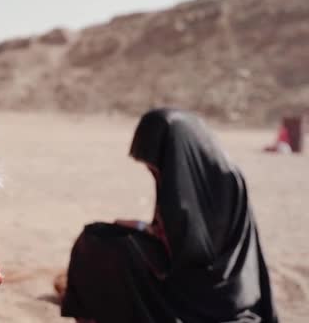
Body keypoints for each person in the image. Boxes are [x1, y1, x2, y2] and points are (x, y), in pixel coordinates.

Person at [60, 108, 278, 323]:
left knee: (96, 245)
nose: (153, 172)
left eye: (154, 166)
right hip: (209, 283)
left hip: (206, 296)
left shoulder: (210, 184)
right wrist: (139, 227)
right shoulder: (203, 172)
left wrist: (140, 231)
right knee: (101, 234)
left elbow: (189, 252)